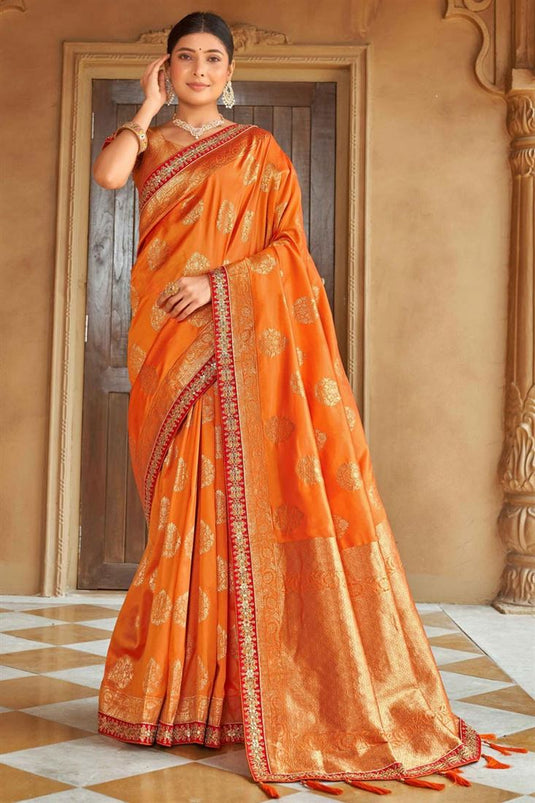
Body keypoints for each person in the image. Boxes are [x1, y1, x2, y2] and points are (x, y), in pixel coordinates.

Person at [93, 10, 488, 798]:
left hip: (232, 346)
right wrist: (144, 110)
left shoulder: (258, 150)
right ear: (166, 69)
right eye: (184, 58)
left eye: (212, 58)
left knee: (232, 512)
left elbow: (287, 253)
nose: (198, 70)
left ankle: (239, 697)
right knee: (179, 519)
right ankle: (178, 698)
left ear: (229, 72)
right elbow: (108, 177)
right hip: (166, 348)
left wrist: (219, 284)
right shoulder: (152, 144)